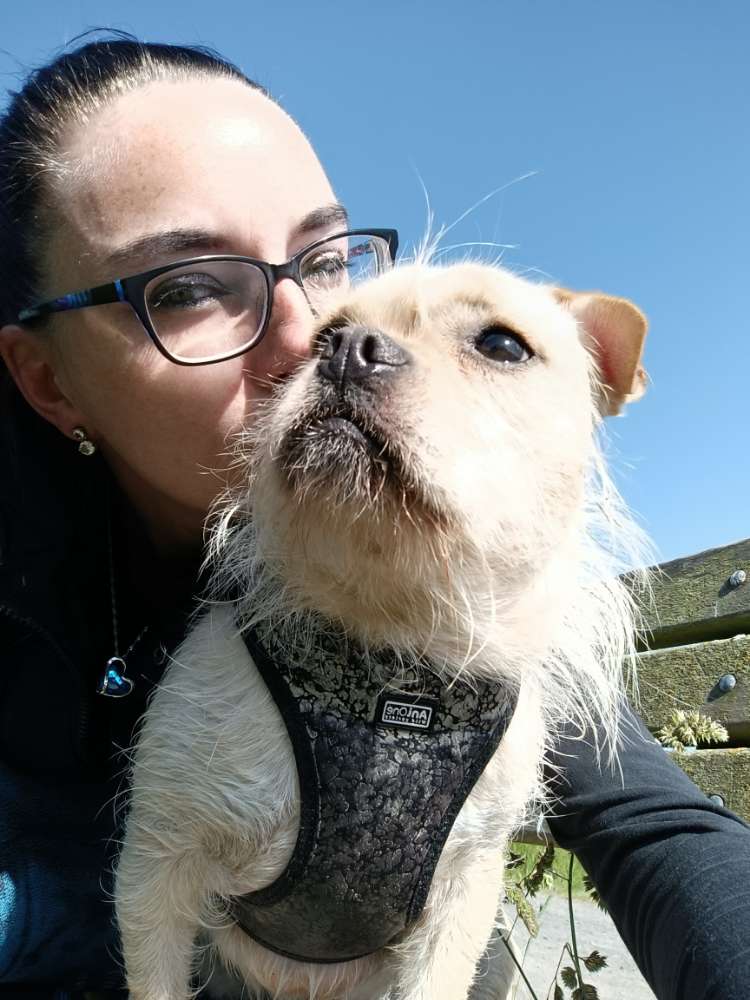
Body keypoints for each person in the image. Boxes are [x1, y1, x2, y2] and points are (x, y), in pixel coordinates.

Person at [0, 34, 748, 1000]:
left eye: (323, 260)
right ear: (49, 379)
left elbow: (652, 825)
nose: (312, 336)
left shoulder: (461, 605)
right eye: (185, 288)